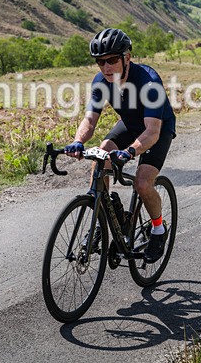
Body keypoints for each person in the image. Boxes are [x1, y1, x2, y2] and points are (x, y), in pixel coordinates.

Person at [64, 28, 176, 263]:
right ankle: (103, 217)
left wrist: (130, 151)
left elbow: (152, 132)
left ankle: (158, 229)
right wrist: (78, 141)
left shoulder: (149, 82)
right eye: (100, 62)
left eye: (112, 60)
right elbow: (90, 120)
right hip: (129, 124)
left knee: (143, 182)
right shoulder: (101, 82)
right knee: (100, 157)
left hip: (157, 128)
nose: (106, 67)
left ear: (127, 57)